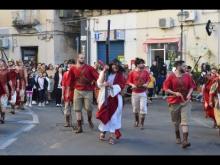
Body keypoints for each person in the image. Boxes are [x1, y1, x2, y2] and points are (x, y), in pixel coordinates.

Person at [163, 60, 195, 148]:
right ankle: (177, 136)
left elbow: (192, 86)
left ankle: (185, 141)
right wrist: (174, 93)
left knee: (185, 122)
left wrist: (189, 95)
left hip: (185, 102)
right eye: (184, 66)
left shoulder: (187, 76)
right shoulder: (171, 76)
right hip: (174, 102)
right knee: (176, 122)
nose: (186, 68)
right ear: (178, 67)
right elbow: (165, 88)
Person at [67, 54, 99, 133]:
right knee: (77, 109)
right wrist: (68, 93)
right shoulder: (73, 68)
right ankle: (79, 127)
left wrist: (97, 82)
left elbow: (97, 77)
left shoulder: (89, 68)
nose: (83, 59)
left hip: (88, 91)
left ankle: (89, 120)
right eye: (81, 58)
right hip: (77, 90)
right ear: (77, 58)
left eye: (84, 58)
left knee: (89, 108)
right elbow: (69, 81)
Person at [96, 59, 126, 144]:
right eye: (113, 65)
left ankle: (111, 136)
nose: (115, 66)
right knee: (104, 114)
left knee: (113, 117)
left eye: (117, 65)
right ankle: (103, 131)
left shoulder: (120, 75)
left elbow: (121, 85)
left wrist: (111, 86)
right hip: (104, 96)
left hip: (115, 98)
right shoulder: (106, 73)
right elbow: (99, 83)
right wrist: (104, 71)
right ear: (111, 65)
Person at [127, 58, 150, 129]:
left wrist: (146, 83)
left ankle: (142, 124)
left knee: (143, 108)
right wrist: (132, 85)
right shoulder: (132, 72)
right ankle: (136, 121)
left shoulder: (146, 72)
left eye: (143, 63)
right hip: (135, 93)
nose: (143, 65)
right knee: (135, 109)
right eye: (141, 63)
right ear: (137, 64)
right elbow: (128, 81)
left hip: (143, 93)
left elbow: (148, 79)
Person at [62, 59, 75, 127]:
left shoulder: (76, 73)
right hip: (67, 92)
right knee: (67, 108)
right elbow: (63, 85)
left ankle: (79, 121)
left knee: (77, 108)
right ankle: (67, 122)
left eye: (71, 63)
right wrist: (62, 95)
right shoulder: (65, 73)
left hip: (74, 92)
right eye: (69, 64)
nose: (70, 65)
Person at [209, 68, 220, 135]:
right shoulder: (216, 81)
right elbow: (212, 91)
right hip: (218, 99)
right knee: (218, 114)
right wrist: (210, 101)